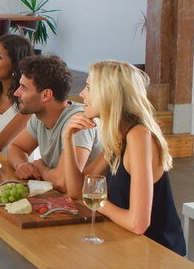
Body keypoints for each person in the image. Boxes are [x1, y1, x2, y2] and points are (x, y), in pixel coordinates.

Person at [61, 61, 186, 255]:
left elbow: (138, 224)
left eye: (88, 88)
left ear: (110, 94)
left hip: (157, 253)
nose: (82, 94)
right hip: (125, 245)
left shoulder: (138, 136)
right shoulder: (118, 135)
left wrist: (98, 202)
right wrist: (67, 137)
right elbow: (77, 191)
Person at [6, 55, 102, 193]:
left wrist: (41, 168)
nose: (16, 93)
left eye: (24, 88)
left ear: (46, 95)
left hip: (86, 207)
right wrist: (22, 164)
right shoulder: (39, 117)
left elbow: (63, 183)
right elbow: (16, 147)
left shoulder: (79, 121)